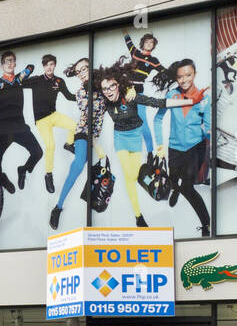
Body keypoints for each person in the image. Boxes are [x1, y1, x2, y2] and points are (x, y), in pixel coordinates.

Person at [91, 63, 195, 227]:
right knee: (129, 177)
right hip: (120, 138)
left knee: (133, 176)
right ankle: (138, 216)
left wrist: (187, 101)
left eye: (112, 86)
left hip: (135, 136)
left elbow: (158, 102)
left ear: (118, 85)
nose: (109, 91)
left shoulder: (131, 97)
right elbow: (93, 122)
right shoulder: (103, 102)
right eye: (105, 88)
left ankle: (144, 175)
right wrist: (96, 146)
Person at [152, 58, 213, 235]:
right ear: (176, 78)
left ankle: (206, 224)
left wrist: (209, 134)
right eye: (180, 76)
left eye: (188, 75)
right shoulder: (172, 95)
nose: (184, 79)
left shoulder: (204, 97)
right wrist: (160, 145)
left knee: (188, 187)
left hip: (196, 147)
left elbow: (208, 124)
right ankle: (175, 189)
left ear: (194, 74)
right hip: (174, 147)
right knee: (172, 179)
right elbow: (158, 119)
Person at [48, 57, 108, 230]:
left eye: (84, 69)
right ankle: (57, 207)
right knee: (78, 165)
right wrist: (97, 146)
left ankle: (72, 149)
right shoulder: (81, 93)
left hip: (95, 134)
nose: (81, 73)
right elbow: (89, 118)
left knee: (87, 163)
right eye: (78, 71)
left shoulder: (103, 85)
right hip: (83, 132)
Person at [0, 51, 42, 195]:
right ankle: (3, 180)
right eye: (6, 61)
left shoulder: (18, 80)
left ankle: (23, 169)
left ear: (15, 63)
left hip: (21, 128)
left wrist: (25, 72)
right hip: (3, 131)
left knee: (37, 152)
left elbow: (31, 67)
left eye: (12, 61)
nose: (9, 63)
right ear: (2, 65)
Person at [21, 54, 79, 194]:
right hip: (41, 121)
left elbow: (70, 96)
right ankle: (48, 175)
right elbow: (20, 82)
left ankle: (69, 144)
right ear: (43, 66)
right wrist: (26, 71)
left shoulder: (59, 81)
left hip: (54, 115)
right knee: (50, 146)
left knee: (74, 125)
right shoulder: (37, 80)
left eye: (51, 64)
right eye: (46, 64)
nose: (49, 67)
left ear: (55, 65)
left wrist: (84, 95)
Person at [124, 33, 166, 158]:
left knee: (143, 122)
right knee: (127, 120)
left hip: (139, 91)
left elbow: (165, 71)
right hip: (126, 90)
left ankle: (150, 152)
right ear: (143, 43)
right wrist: (124, 31)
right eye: (147, 41)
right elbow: (128, 41)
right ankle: (130, 150)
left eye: (151, 42)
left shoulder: (154, 61)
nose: (149, 44)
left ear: (153, 46)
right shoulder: (135, 52)